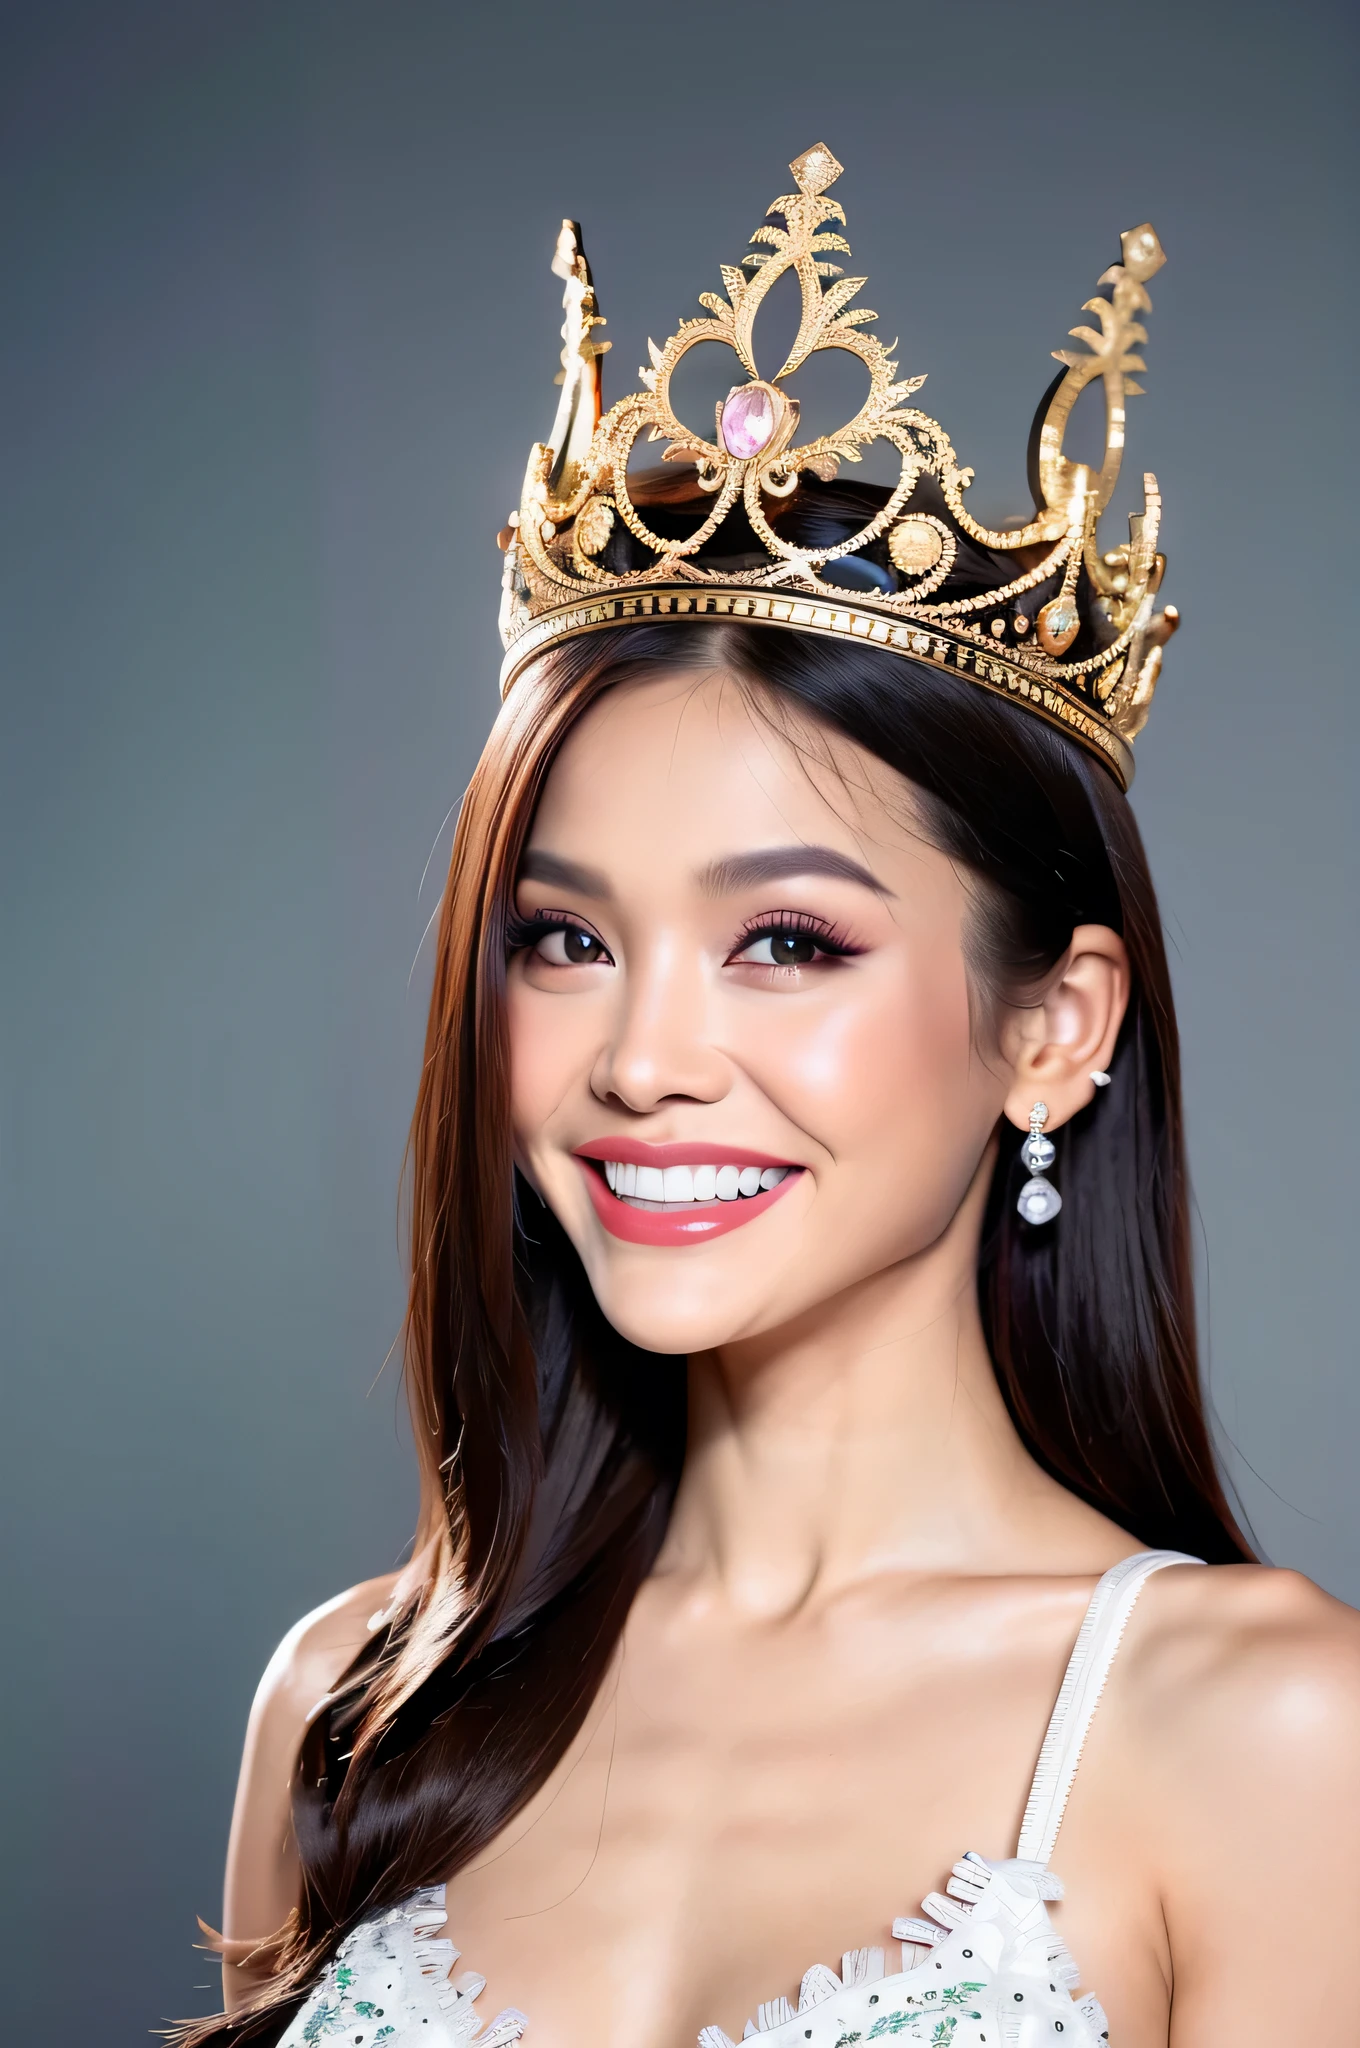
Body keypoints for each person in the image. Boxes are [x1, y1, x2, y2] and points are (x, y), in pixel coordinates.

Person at [186, 148, 1360, 2048]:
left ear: (1053, 1028)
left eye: (789, 942)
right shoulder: (358, 1710)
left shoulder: (1269, 1735)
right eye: (561, 942)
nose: (642, 1059)